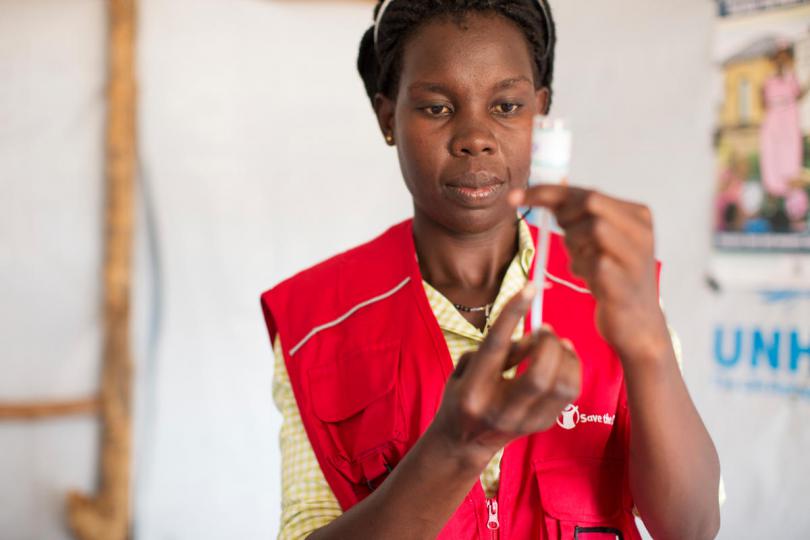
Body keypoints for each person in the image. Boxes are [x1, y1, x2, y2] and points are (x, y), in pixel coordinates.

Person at [260, 1, 722, 538]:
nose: (475, 136)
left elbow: (691, 527)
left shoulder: (615, 286)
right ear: (389, 118)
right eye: (436, 108)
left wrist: (648, 346)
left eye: (506, 106)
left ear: (540, 113)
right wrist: (458, 445)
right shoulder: (315, 321)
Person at [760, 44, 809, 229]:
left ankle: (797, 215)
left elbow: (798, 95)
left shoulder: (791, 78)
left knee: (789, 161)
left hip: (788, 123)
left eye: (784, 57)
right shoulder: (768, 80)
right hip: (773, 123)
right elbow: (763, 102)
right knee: (772, 161)